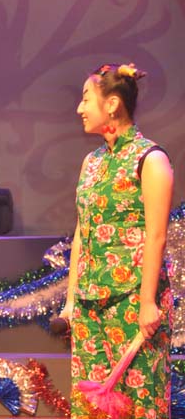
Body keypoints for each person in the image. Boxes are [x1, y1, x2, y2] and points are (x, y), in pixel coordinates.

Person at [59, 63, 174, 418]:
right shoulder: (91, 163)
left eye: (86, 99)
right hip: (89, 305)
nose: (79, 108)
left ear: (112, 104)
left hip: (131, 304)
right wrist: (71, 300)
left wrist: (147, 302)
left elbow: (156, 236)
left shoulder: (150, 159)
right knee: (91, 406)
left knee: (139, 402)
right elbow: (82, 232)